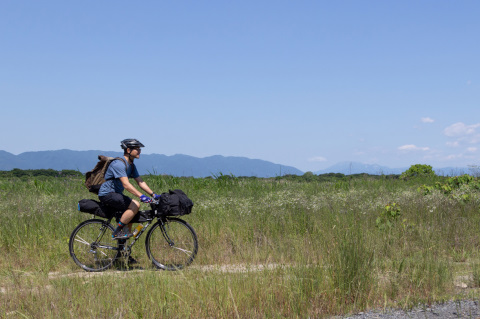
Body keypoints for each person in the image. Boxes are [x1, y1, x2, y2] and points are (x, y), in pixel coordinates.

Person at [98, 138, 160, 240]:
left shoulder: (131, 166)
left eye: (140, 149)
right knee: (135, 205)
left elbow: (140, 181)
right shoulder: (118, 164)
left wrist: (153, 194)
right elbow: (126, 185)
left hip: (116, 194)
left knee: (129, 222)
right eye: (137, 149)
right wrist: (141, 196)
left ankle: (123, 252)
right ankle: (117, 232)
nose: (140, 151)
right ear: (128, 150)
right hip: (107, 194)